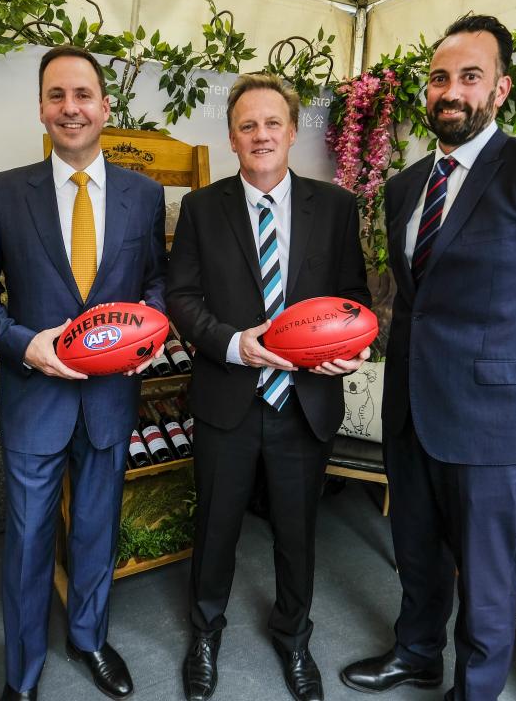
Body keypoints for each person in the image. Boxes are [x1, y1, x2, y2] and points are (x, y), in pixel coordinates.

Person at [340, 15, 516, 701]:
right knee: (418, 553)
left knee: (489, 579)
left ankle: (477, 690)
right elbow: (418, 300)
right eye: (439, 78)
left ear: (501, 88)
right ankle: (416, 652)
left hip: (496, 421)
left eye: (470, 76)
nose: (451, 90)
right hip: (413, 410)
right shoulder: (405, 187)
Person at [0, 46, 167, 701]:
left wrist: (151, 331)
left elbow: (155, 283)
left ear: (107, 107)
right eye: (56, 95)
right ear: (41, 108)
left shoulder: (144, 195)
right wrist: (25, 345)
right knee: (27, 543)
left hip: (109, 399)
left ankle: (89, 638)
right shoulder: (1, 192)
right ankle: (21, 673)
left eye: (83, 94)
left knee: (98, 530)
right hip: (34, 398)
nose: (70, 108)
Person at [166, 73, 370, 701]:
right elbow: (182, 296)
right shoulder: (202, 208)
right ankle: (204, 635)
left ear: (291, 131)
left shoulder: (333, 207)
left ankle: (294, 637)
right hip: (230, 396)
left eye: (272, 123)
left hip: (304, 402)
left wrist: (348, 350)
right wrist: (232, 343)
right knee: (216, 527)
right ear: (231, 137)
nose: (261, 135)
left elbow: (354, 300)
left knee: (296, 530)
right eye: (247, 125)